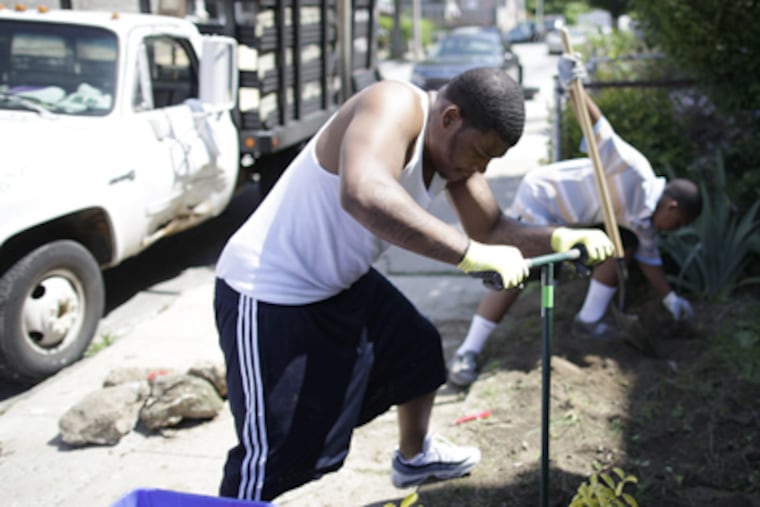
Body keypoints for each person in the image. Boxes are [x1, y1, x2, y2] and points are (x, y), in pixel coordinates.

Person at [213, 66, 614, 502]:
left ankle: (414, 456)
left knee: (417, 349)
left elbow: (492, 228)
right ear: (450, 118)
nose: (481, 167)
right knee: (273, 454)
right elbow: (363, 192)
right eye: (481, 153)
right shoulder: (393, 104)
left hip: (339, 283)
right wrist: (465, 254)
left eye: (490, 160)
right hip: (269, 289)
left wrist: (558, 236)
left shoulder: (454, 157)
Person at [447, 55, 703, 389]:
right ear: (671, 206)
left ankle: (589, 320)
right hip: (546, 198)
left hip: (574, 222)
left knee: (622, 246)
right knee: (518, 271)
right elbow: (599, 130)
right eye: (679, 222)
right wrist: (573, 86)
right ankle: (468, 351)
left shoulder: (645, 222)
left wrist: (671, 299)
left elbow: (649, 260)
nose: (674, 230)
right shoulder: (633, 172)